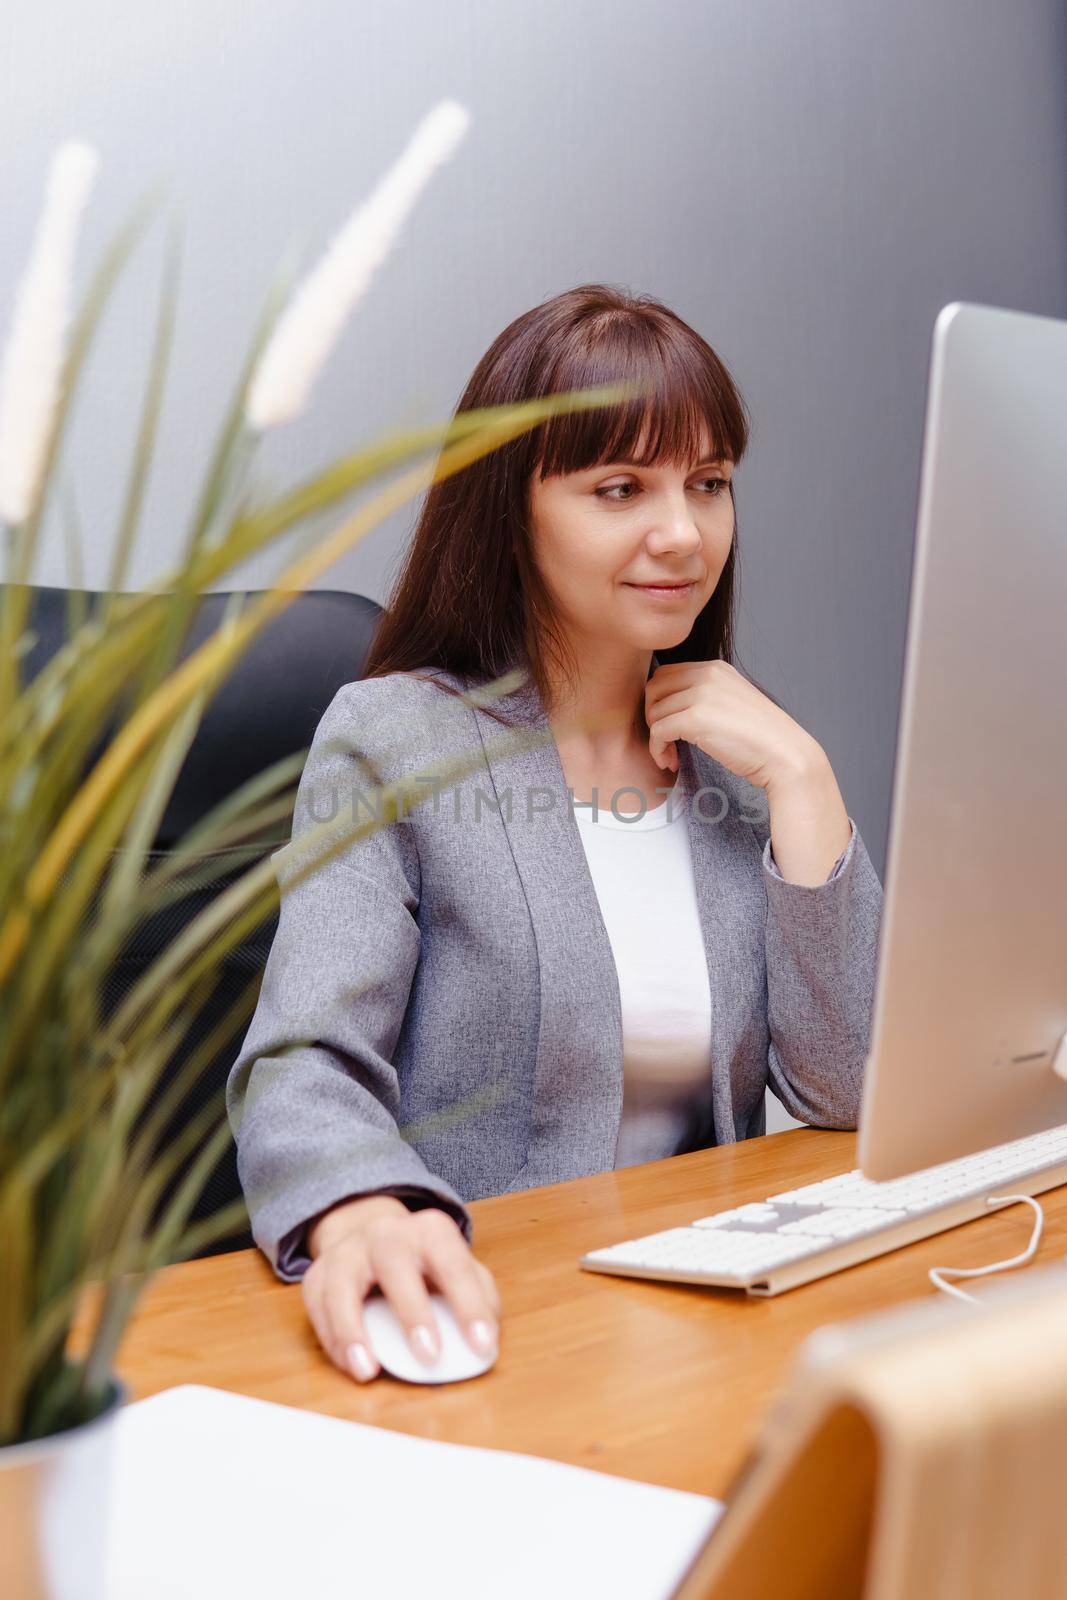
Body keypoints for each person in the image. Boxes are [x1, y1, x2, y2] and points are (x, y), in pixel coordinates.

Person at [226, 282, 883, 1386]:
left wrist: (805, 780)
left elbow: (850, 1092)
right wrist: (359, 1210)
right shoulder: (396, 739)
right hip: (497, 1314)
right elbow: (303, 1060)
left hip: (709, 1324)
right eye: (617, 487)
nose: (681, 532)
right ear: (511, 511)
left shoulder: (733, 752)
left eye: (708, 483)